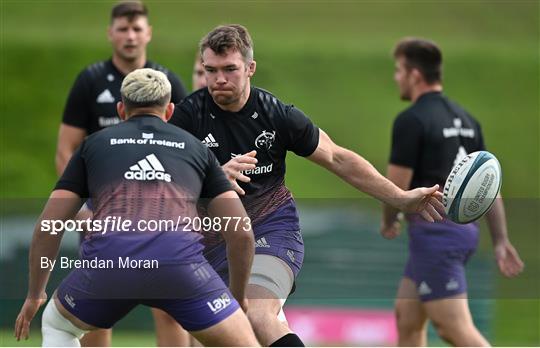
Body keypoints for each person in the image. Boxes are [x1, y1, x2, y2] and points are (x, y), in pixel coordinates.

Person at [170, 24, 445, 347]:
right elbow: (162, 186)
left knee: (258, 315)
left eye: (230, 69)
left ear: (250, 68)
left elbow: (337, 158)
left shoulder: (277, 115)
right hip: (213, 240)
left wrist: (400, 198)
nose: (218, 79)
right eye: (210, 70)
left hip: (271, 230)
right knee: (216, 337)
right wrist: (211, 179)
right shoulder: (186, 118)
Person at [14, 68, 259, 347]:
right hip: (181, 268)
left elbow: (49, 226)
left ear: (121, 109)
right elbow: (241, 233)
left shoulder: (92, 146)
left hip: (109, 265)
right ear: (169, 111)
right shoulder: (197, 149)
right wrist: (237, 297)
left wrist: (36, 294)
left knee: (57, 326)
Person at [54, 2, 188, 346]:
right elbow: (66, 151)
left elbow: (189, 149)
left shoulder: (168, 81)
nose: (130, 36)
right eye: (124, 29)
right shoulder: (90, 81)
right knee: (95, 312)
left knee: (171, 308)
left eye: (137, 28)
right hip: (105, 216)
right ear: (111, 33)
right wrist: (81, 210)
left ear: (148, 33)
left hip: (159, 218)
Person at [381, 37, 525, 347]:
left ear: (415, 75)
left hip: (436, 236)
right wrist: (500, 240)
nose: (396, 78)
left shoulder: (411, 120)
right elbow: (489, 185)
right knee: (407, 318)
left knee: (453, 328)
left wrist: (389, 219)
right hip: (459, 233)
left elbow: (395, 188)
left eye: (399, 70)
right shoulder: (467, 119)